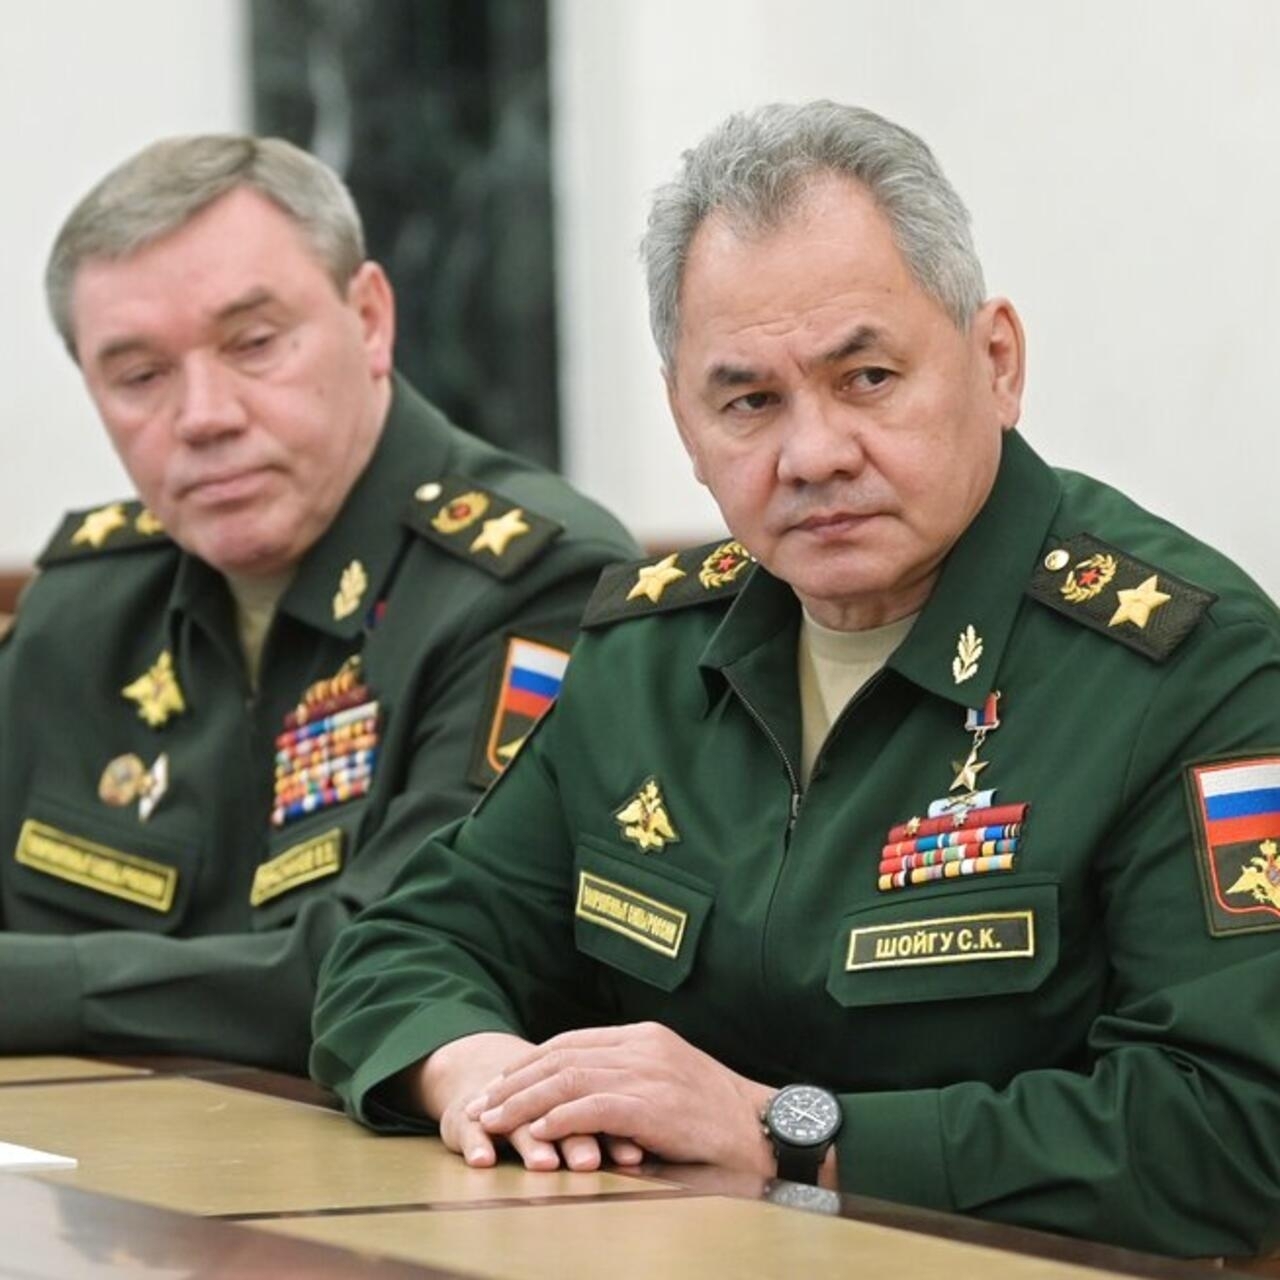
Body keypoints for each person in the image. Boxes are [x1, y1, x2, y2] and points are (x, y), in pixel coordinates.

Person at [310, 103, 1280, 1256]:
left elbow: (1230, 1129)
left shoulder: (1185, 667)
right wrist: (489, 1077)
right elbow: (403, 947)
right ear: (684, 422)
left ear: (995, 363)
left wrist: (780, 1134)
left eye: (865, 377)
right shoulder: (646, 652)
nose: (812, 453)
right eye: (749, 401)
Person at [0, 135, 637, 1071]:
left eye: (254, 345)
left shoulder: (531, 584)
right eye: (140, 377)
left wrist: (35, 990)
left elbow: (386, 969)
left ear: (370, 319)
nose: (204, 415)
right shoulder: (88, 604)